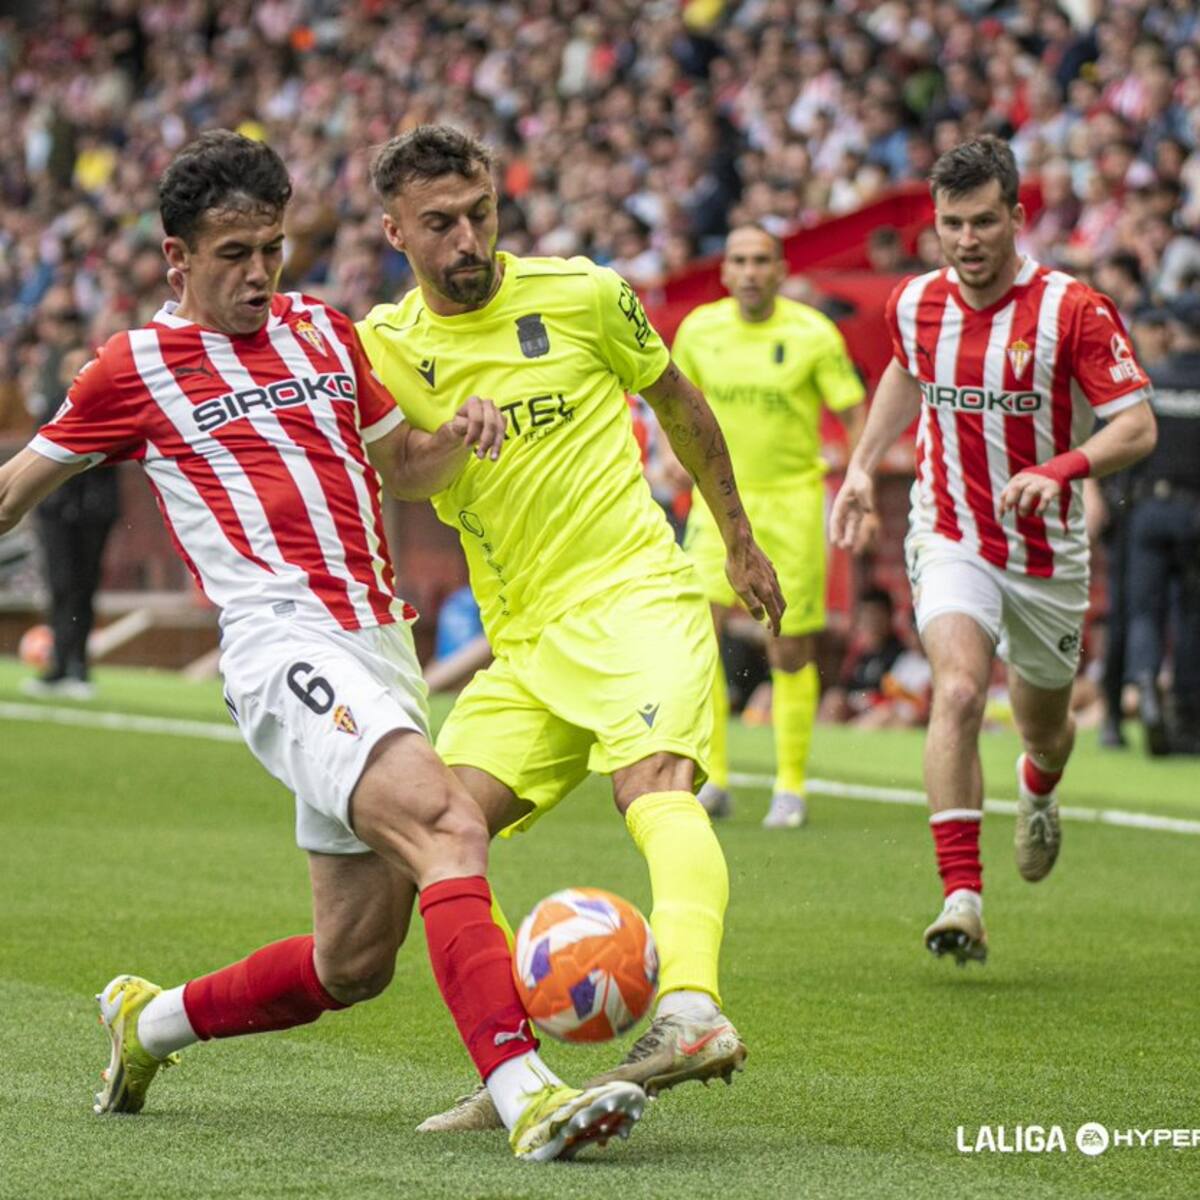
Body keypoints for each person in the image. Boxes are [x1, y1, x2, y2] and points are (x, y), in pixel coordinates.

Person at [0, 130, 646, 1163]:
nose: (261, 272)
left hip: (376, 645)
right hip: (279, 647)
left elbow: (410, 472)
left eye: (273, 246)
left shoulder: (325, 334)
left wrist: (460, 433)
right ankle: (527, 1093)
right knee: (448, 824)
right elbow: (15, 491)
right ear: (176, 259)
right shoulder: (134, 367)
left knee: (353, 962)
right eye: (233, 255)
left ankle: (146, 1022)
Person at [356, 125, 784, 1132]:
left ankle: (688, 1006)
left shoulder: (587, 293)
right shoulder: (385, 343)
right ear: (394, 232)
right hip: (526, 645)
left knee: (656, 785)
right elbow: (399, 471)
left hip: (636, 592)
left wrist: (738, 540)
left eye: (481, 213)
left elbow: (678, 402)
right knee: (436, 831)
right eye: (440, 224)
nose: (468, 240)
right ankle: (519, 1069)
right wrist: (450, 434)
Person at [830, 136, 1157, 966]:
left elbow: (1137, 425)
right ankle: (961, 898)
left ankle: (1039, 788)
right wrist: (864, 466)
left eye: (983, 222)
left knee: (1045, 730)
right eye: (951, 225)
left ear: (1016, 217)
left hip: (1046, 553)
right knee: (962, 689)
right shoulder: (915, 303)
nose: (967, 240)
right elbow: (906, 370)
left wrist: (1062, 467)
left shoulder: (1070, 308)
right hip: (951, 531)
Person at [670, 223, 868, 827]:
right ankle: (715, 779)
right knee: (699, 631)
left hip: (791, 505)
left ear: (781, 271)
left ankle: (790, 784)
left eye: (762, 261)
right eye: (740, 260)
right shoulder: (700, 331)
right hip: (717, 502)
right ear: (724, 272)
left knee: (789, 643)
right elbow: (675, 401)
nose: (751, 271)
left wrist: (857, 478)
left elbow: (854, 411)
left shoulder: (813, 334)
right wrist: (669, 456)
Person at [21, 342, 120, 699]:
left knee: (84, 586)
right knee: (61, 585)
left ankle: (77, 665)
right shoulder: (51, 407)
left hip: (92, 512)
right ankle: (60, 664)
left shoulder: (109, 406)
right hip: (58, 512)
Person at [1125, 294, 1200, 755]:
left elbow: (1126, 440)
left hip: (1150, 509)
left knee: (1144, 612)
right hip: (1195, 513)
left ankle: (1147, 689)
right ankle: (1186, 714)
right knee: (1192, 616)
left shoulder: (1152, 381)